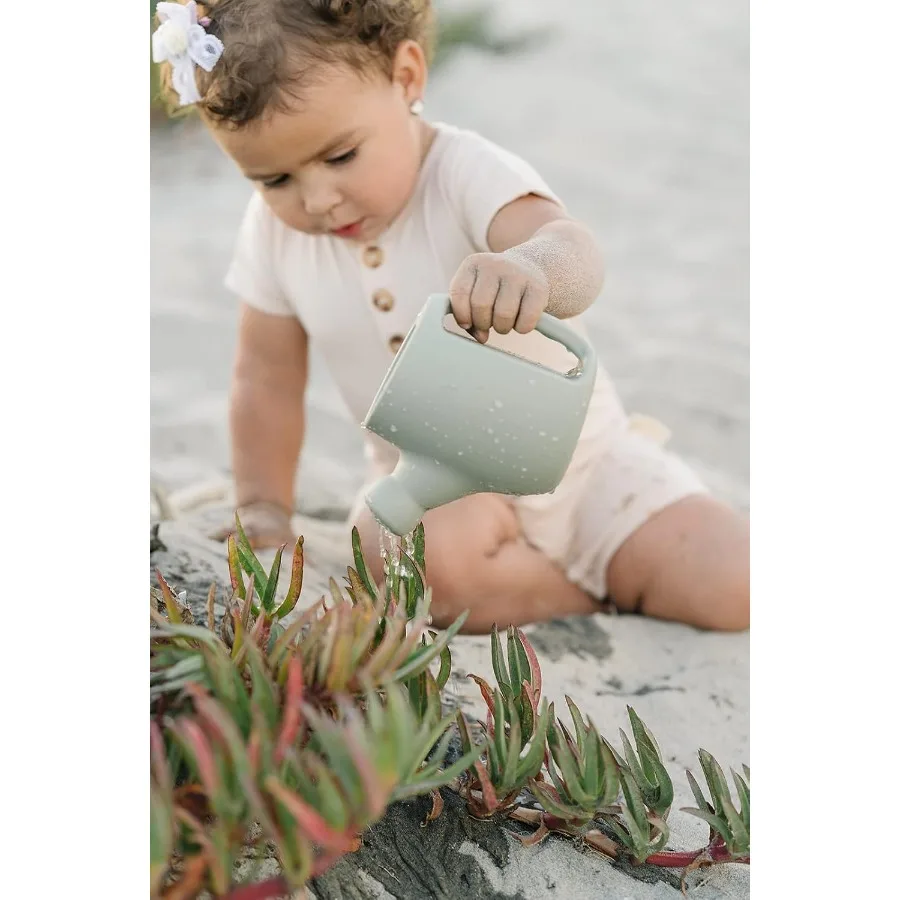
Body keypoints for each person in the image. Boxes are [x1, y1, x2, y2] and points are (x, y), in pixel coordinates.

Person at [152, 0, 749, 634]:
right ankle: (581, 600)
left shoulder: (463, 173)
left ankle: (598, 574)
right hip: (432, 483)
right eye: (274, 180)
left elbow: (576, 251)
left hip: (587, 472)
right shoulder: (273, 238)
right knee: (398, 551)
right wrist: (264, 506)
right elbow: (265, 381)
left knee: (734, 584)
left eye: (341, 156)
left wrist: (533, 266)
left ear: (405, 77)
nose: (318, 199)